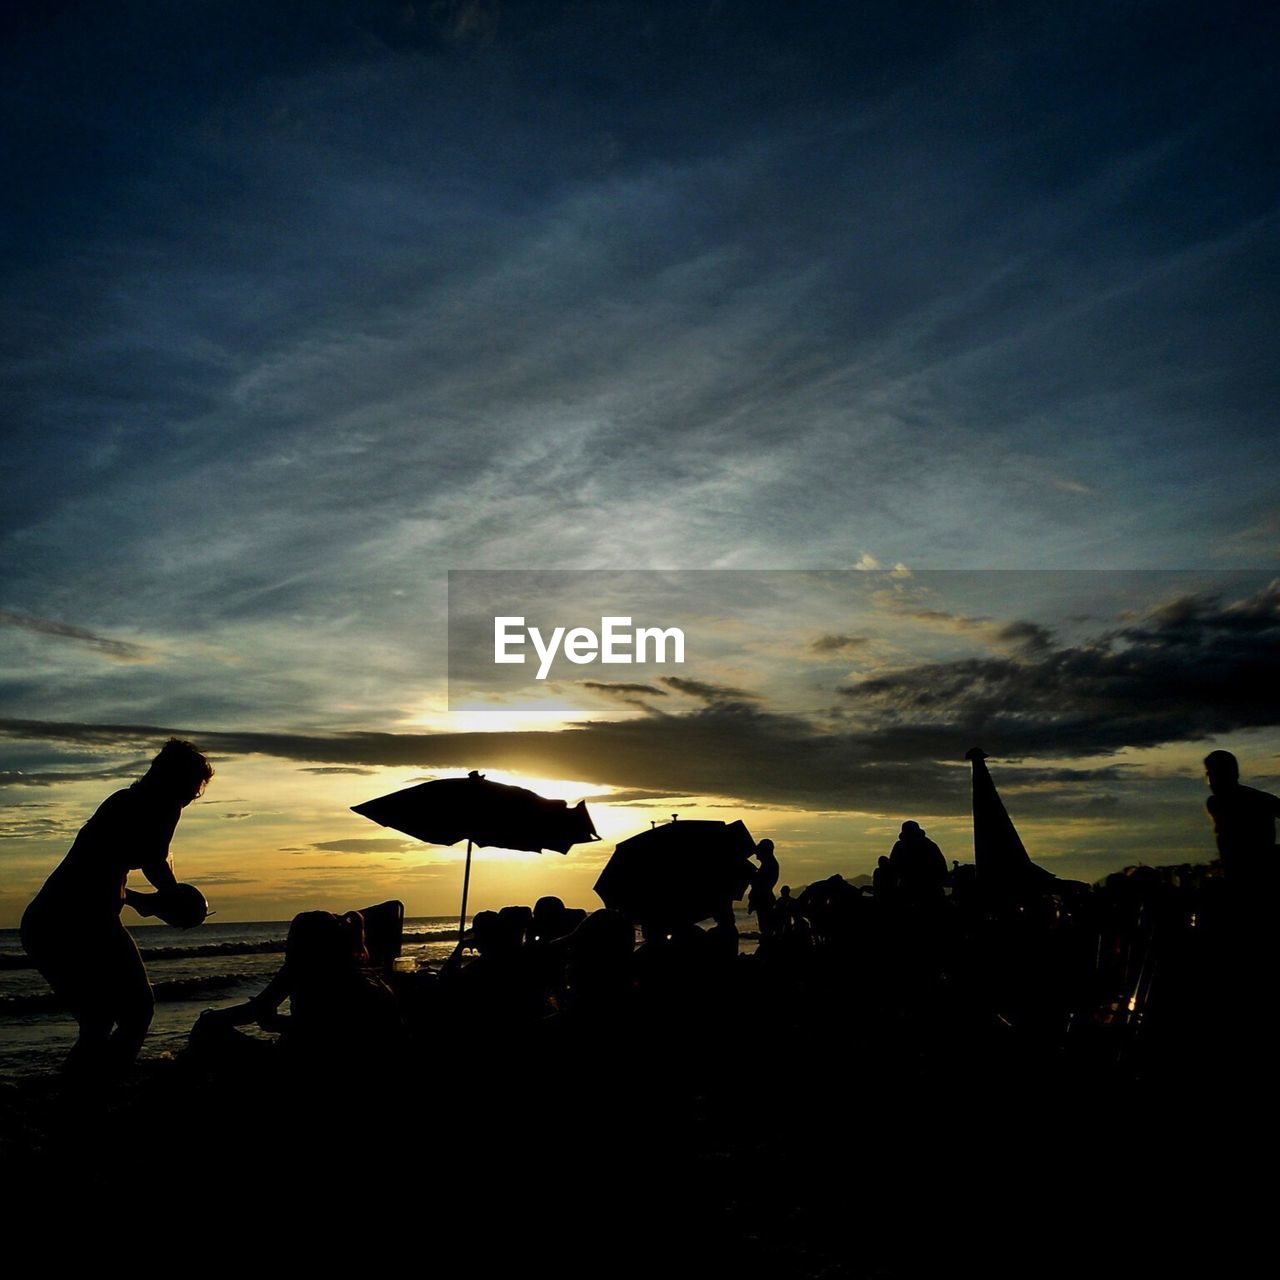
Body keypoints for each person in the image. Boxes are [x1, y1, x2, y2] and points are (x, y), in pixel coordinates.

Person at [20, 738, 213, 1077]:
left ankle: (87, 1094)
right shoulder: (143, 806)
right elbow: (151, 861)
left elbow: (106, 875)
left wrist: (148, 902)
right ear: (173, 781)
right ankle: (90, 1094)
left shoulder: (134, 803)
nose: (188, 801)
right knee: (123, 1015)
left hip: (78, 920)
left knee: (108, 1019)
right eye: (189, 792)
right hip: (63, 924)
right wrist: (174, 898)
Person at [1204, 750, 1280, 887]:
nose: (1212, 781)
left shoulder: (1260, 800)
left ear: (1232, 775)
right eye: (1210, 775)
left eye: (1217, 774)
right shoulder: (1215, 803)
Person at [888, 821, 948, 903]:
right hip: (927, 889)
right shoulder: (930, 845)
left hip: (922, 888)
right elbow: (941, 867)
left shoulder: (900, 846)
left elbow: (892, 867)